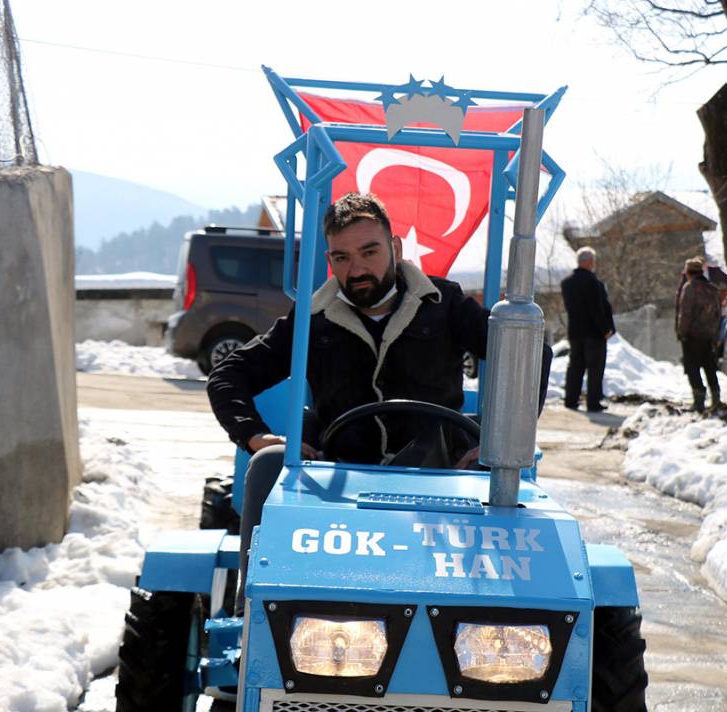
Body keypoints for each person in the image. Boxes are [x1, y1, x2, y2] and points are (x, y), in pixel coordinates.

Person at [207, 192, 549, 611]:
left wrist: (497, 441)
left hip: (440, 473)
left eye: (369, 252)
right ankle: (256, 611)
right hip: (342, 474)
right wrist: (254, 435)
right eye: (342, 258)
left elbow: (528, 355)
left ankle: (507, 616)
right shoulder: (311, 320)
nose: (357, 269)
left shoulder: (445, 305)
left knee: (508, 478)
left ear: (396, 248)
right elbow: (229, 374)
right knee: (266, 465)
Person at [560, 246, 615, 412]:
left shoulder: (567, 283)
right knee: (595, 368)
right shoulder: (593, 282)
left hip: (575, 331)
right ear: (590, 262)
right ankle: (593, 402)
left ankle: (571, 399)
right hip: (594, 332)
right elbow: (597, 308)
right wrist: (605, 329)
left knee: (575, 366)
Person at [676, 257, 722, 412]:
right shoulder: (713, 289)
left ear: (688, 273)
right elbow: (718, 314)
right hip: (709, 335)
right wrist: (715, 336)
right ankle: (716, 398)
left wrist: (681, 333)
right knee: (710, 367)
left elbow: (685, 313)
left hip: (693, 335)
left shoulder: (690, 287)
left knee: (692, 367)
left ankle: (699, 400)